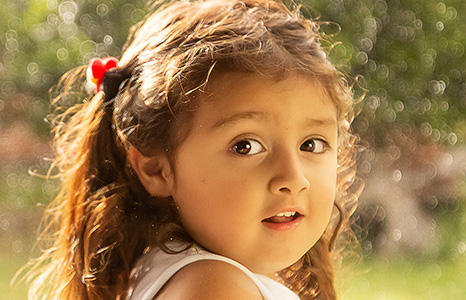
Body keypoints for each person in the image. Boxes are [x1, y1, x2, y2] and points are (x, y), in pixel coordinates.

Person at [22, 0, 362, 299]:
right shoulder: (213, 288)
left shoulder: (190, 273)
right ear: (157, 170)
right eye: (246, 146)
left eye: (311, 144)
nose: (293, 177)